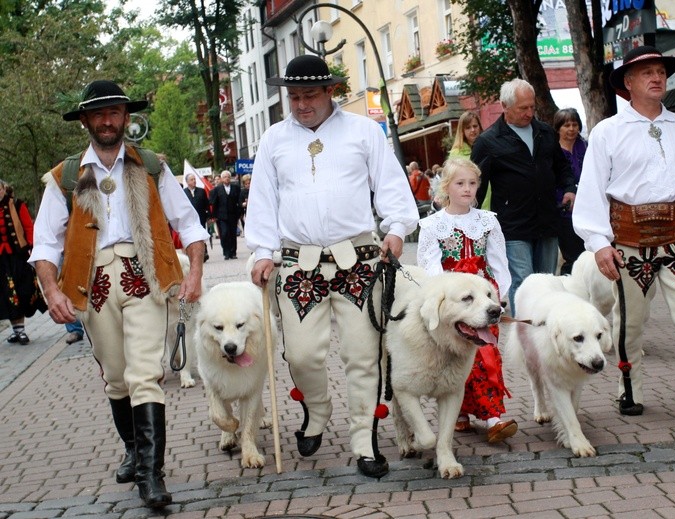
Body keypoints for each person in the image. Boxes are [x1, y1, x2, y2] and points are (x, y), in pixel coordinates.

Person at [29, 80, 208, 508]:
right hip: (92, 286)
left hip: (144, 275)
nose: (108, 120)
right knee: (116, 377)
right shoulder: (66, 176)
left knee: (145, 373)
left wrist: (196, 270)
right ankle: (133, 448)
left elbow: (188, 220)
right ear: (86, 121)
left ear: (127, 117)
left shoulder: (150, 166)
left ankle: (151, 475)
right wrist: (51, 288)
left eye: (115, 112)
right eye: (99, 113)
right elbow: (44, 243)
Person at [246, 55, 418, 479]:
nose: (301, 104)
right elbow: (264, 201)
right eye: (294, 96)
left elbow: (392, 188)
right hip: (298, 262)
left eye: (309, 95)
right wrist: (262, 251)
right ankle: (317, 407)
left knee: (363, 355)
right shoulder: (273, 140)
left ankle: (364, 441)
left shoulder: (364, 131)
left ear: (329, 92)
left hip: (358, 258)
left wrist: (396, 229)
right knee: (301, 353)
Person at [572, 46, 675, 434]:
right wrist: (598, 242)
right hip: (629, 240)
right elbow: (593, 190)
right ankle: (630, 386)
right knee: (630, 323)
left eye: (660, 70)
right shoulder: (607, 132)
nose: (656, 77)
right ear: (628, 83)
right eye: (646, 72)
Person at [417, 157, 517, 442]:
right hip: (457, 301)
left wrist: (499, 296)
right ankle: (459, 413)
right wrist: (445, 299)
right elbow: (431, 269)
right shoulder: (433, 226)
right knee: (455, 359)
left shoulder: (487, 222)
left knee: (487, 354)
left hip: (483, 297)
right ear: (447, 187)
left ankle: (494, 416)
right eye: (460, 183)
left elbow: (499, 262)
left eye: (472, 183)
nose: (467, 189)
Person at [471, 79, 576, 314]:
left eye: (532, 107)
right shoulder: (488, 141)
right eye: (523, 108)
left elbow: (562, 168)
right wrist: (469, 216)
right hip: (513, 225)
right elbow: (476, 183)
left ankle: (544, 329)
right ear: (505, 106)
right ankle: (524, 332)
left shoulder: (546, 133)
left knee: (547, 281)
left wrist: (569, 188)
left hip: (547, 220)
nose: (529, 113)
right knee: (523, 281)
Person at [0, 180, 47, 344]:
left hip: (19, 256)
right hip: (2, 260)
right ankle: (18, 330)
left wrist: (33, 248)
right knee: (8, 294)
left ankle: (19, 328)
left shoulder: (18, 205)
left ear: (4, 189)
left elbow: (28, 227)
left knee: (24, 290)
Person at [553, 108, 587, 275]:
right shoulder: (553, 150)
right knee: (572, 257)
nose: (572, 129)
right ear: (558, 128)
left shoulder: (585, 146)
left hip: (586, 208)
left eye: (575, 124)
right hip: (564, 211)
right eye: (567, 125)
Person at [209, 170, 241, 260]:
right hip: (221, 216)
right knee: (224, 233)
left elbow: (239, 200)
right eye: (224, 177)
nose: (227, 178)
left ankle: (233, 252)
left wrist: (239, 213)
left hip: (233, 215)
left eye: (228, 177)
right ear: (222, 179)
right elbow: (213, 203)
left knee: (232, 234)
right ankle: (226, 252)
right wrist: (212, 216)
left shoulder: (235, 188)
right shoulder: (217, 189)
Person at [184, 173, 210, 261]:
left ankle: (204, 253)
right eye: (191, 179)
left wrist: (209, 216)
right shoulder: (183, 192)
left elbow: (206, 204)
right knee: (192, 238)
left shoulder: (201, 191)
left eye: (194, 179)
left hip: (200, 218)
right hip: (189, 219)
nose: (194, 181)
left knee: (201, 236)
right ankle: (193, 255)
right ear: (187, 182)